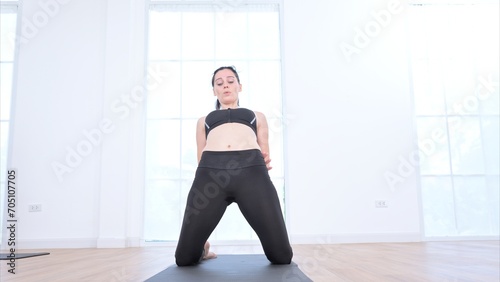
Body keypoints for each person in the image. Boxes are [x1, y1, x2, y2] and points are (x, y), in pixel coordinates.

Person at [174, 66, 293, 266]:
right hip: (210, 175)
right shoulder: (204, 121)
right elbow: (200, 156)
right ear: (214, 90)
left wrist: (261, 164)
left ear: (239, 86)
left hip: (251, 174)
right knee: (184, 259)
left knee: (282, 256)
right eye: (219, 83)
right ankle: (204, 248)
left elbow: (265, 151)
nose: (225, 85)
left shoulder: (256, 115)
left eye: (230, 81)